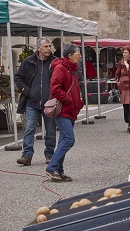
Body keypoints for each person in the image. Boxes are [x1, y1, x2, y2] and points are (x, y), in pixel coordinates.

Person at [14, 37, 56, 166]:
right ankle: (26, 155)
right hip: (32, 102)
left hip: (49, 103)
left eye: (50, 46)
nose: (49, 49)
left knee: (50, 130)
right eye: (46, 46)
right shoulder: (28, 61)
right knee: (29, 128)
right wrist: (27, 91)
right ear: (38, 48)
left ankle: (49, 154)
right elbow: (18, 77)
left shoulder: (55, 62)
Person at [45, 44, 84, 182]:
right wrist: (68, 100)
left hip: (70, 109)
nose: (79, 56)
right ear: (69, 55)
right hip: (62, 110)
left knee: (63, 140)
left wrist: (78, 103)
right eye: (77, 53)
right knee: (69, 139)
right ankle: (51, 168)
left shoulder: (72, 70)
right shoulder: (61, 68)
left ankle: (59, 171)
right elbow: (54, 88)